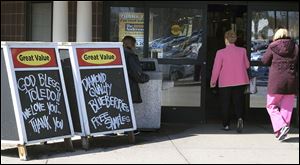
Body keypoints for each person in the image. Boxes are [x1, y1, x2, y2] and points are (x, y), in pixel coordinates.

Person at [261, 28, 299, 141]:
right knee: (287, 108)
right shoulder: (296, 47)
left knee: (271, 106)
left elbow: (264, 61)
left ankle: (281, 127)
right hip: (291, 80)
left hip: (276, 81)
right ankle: (282, 131)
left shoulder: (272, 46)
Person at [210, 30, 250, 133]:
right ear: (235, 39)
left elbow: (216, 68)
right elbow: (247, 65)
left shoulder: (220, 52)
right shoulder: (242, 51)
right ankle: (240, 118)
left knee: (225, 103)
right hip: (240, 81)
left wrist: (213, 81)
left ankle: (226, 124)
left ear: (226, 39)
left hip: (225, 82)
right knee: (238, 102)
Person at [122, 36, 149, 135]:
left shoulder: (118, 53)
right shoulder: (130, 56)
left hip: (118, 85)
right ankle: (129, 129)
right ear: (132, 44)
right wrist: (145, 78)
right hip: (129, 85)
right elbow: (136, 73)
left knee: (118, 106)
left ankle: (112, 129)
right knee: (128, 107)